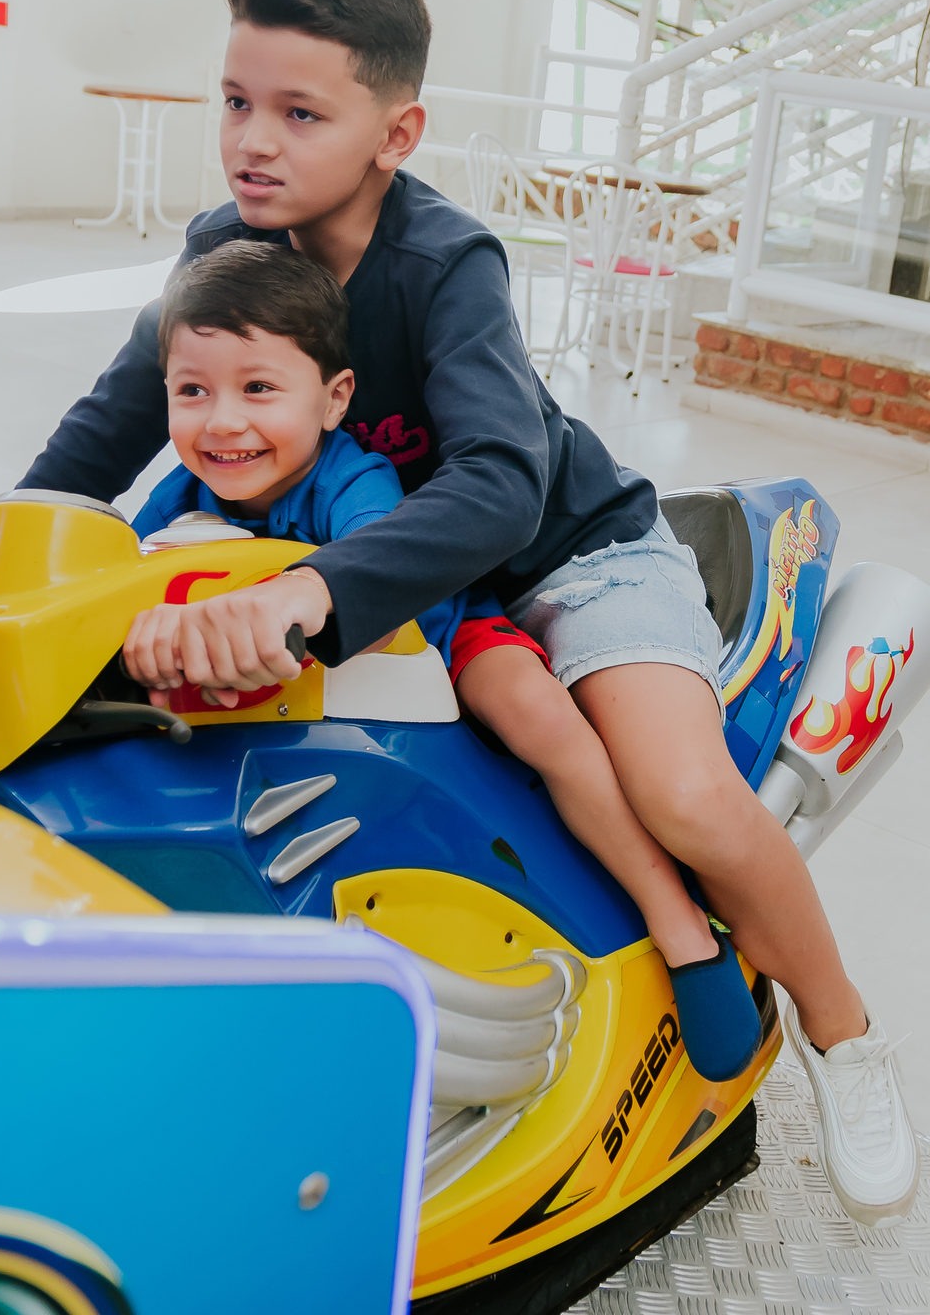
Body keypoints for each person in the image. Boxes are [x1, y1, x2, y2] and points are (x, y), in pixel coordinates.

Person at [23, 0, 918, 1226]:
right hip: (367, 566)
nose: (252, 142)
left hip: (560, 559)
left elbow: (500, 483)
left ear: (398, 133)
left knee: (684, 796)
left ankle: (845, 1035)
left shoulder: (447, 262)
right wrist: (7, 552)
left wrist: (312, 596)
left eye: (299, 112)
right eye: (233, 101)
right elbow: (110, 427)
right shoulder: (223, 245)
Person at [124, 238, 759, 1081]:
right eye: (191, 392)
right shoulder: (182, 496)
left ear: (332, 398)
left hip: (436, 632)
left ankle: (676, 924)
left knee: (536, 717)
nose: (223, 422)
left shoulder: (357, 482)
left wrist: (286, 617)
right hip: (291, 693)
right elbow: (127, 572)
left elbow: (389, 605)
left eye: (259, 389)